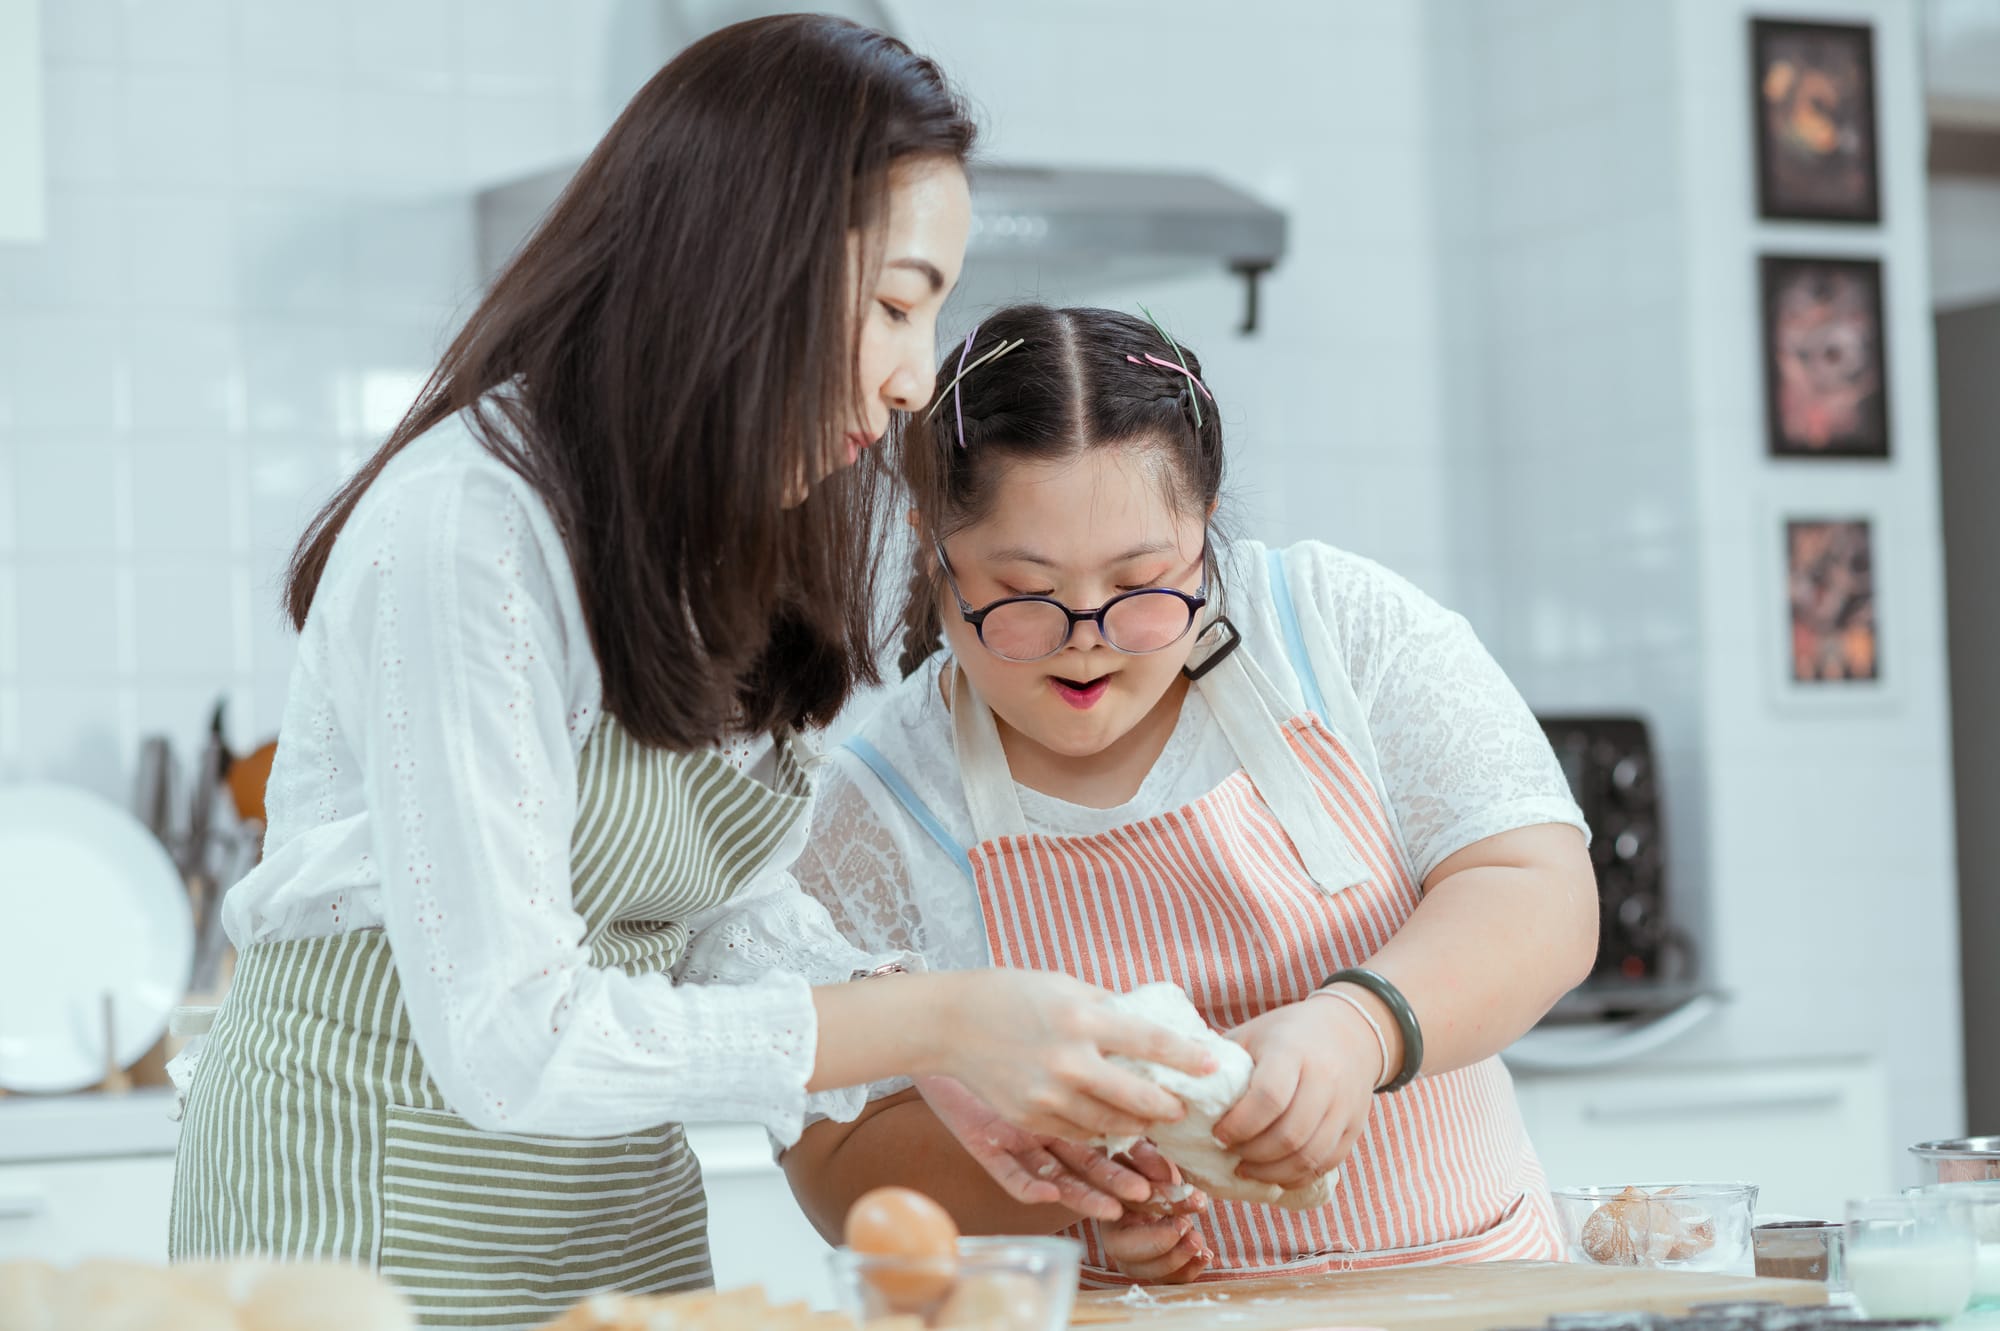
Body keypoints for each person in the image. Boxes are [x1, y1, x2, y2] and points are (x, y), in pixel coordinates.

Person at [166, 30, 1210, 1328]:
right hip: (360, 1230)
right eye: (896, 304)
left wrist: (948, 1070)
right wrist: (943, 1022)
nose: (912, 378)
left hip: (610, 1223)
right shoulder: (469, 528)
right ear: (746, 260)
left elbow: (720, 915)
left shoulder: (718, 534)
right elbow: (511, 1037)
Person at [787, 303, 1600, 1282]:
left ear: (1203, 527)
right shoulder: (874, 805)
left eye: (1141, 582)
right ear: (932, 549)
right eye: (1024, 592)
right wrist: (1068, 1192)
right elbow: (833, 1157)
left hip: (1469, 1286)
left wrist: (1359, 1024)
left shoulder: (1334, 628)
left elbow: (1539, 886)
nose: (1087, 640)